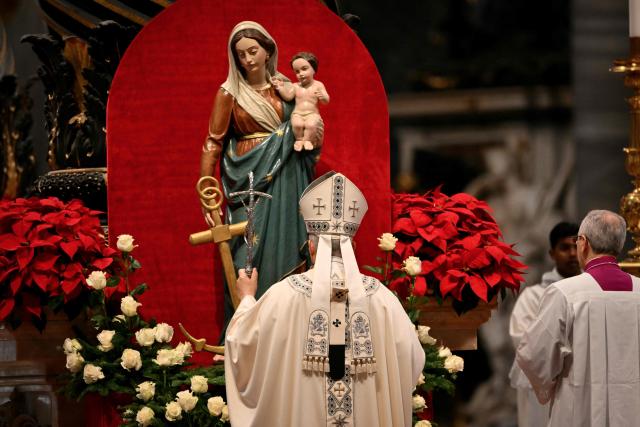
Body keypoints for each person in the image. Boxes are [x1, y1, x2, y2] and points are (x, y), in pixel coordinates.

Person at [225, 172, 425, 426]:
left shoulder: (282, 296)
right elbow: (411, 361)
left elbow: (242, 345)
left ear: (310, 247)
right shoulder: (383, 300)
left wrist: (247, 298)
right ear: (353, 247)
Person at [200, 21, 319, 324]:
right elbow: (213, 142)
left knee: (290, 248)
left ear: (268, 51)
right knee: (246, 255)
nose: (248, 59)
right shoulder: (229, 93)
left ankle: (289, 329)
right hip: (247, 178)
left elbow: (305, 121)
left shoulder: (284, 88)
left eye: (253, 51)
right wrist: (206, 190)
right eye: (241, 55)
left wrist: (314, 134)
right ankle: (246, 330)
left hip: (288, 177)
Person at [517, 210, 640, 426]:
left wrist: (548, 387)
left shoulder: (564, 293)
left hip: (579, 412)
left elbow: (535, 356)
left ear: (582, 243)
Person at [508, 221, 580, 427]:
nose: (573, 253)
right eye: (565, 247)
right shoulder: (533, 296)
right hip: (542, 384)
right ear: (551, 253)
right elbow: (523, 342)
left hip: (582, 379)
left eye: (576, 246)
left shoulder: (591, 293)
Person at [272, 51, 329, 151]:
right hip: (297, 113)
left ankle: (307, 140)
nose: (301, 74)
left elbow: (326, 101)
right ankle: (299, 140)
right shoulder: (295, 86)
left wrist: (323, 97)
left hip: (312, 114)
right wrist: (280, 88)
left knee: (311, 125)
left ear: (313, 69)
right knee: (297, 124)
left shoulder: (318, 85)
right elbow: (288, 97)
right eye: (297, 71)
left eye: (304, 69)